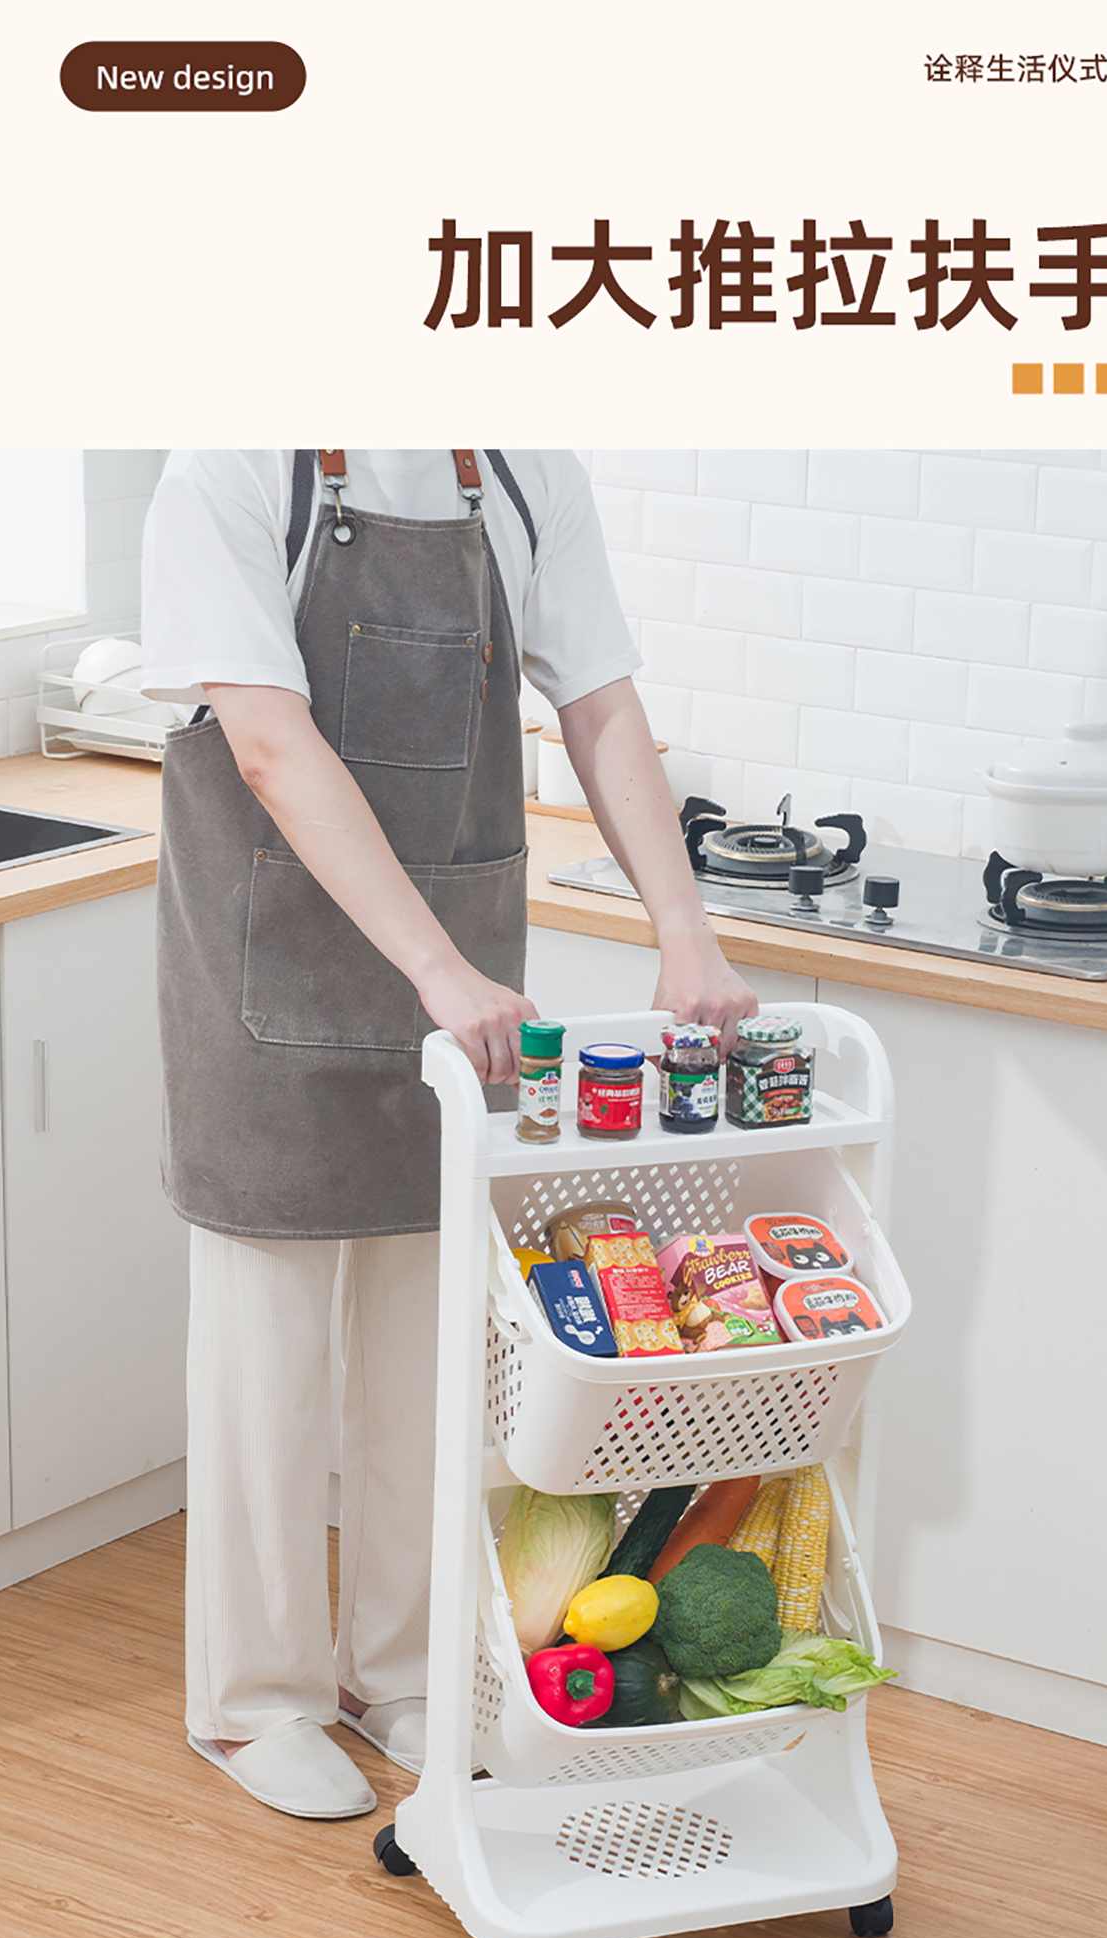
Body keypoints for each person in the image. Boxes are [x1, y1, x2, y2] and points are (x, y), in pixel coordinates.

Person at [141, 449, 757, 1820]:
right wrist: (435, 970)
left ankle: (399, 1669)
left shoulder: (523, 469)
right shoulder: (237, 462)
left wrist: (686, 931)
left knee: (432, 1360)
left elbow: (599, 702)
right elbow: (266, 743)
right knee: (268, 1365)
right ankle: (255, 1703)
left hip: (464, 993)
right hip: (274, 972)